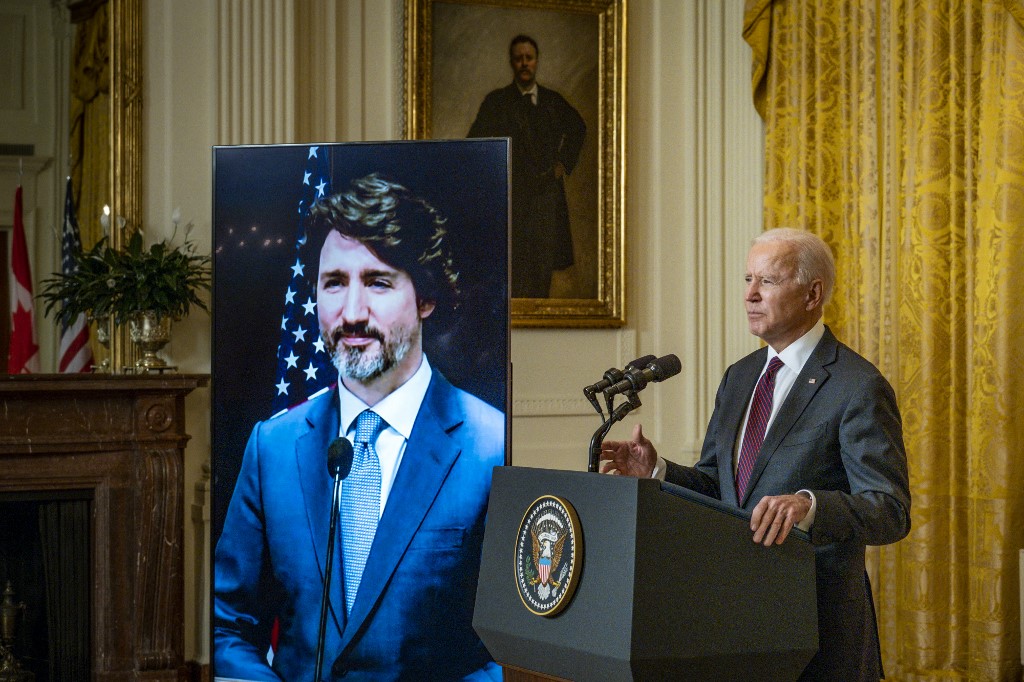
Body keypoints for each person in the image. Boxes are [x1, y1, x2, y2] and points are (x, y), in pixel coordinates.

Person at [213, 174, 504, 681]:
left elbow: (508, 653)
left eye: (377, 282)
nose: (351, 313)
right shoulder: (273, 447)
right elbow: (227, 627)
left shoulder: (492, 447)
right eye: (334, 283)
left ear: (426, 297)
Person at [600, 228, 911, 681]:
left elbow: (890, 509)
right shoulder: (740, 376)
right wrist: (657, 469)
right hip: (735, 622)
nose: (749, 295)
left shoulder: (856, 385)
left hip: (817, 629)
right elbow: (717, 485)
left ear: (812, 293)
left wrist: (811, 505)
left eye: (767, 281)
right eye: (748, 279)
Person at [468, 34, 586, 298]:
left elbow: (578, 128)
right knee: (513, 266)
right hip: (512, 198)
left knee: (541, 266)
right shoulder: (496, 102)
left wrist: (562, 163)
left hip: (546, 198)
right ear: (512, 62)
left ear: (536, 62)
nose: (524, 63)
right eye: (519, 58)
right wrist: (494, 176)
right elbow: (474, 143)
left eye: (529, 58)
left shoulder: (553, 101)